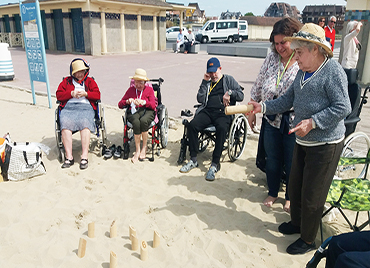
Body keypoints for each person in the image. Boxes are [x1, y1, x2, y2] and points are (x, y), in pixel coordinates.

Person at [247, 23, 351, 255]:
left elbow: (344, 107)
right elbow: (286, 100)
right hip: (303, 141)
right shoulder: (303, 71)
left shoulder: (333, 71)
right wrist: (262, 106)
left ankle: (307, 239)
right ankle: (296, 224)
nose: (296, 57)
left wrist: (313, 122)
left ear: (315, 49)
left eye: (299, 52)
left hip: (325, 144)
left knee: (312, 195)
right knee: (295, 187)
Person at [248, 17, 302, 212]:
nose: (279, 48)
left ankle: (289, 197)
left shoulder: (301, 58)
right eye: (276, 43)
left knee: (291, 160)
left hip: (293, 120)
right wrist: (251, 110)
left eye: (283, 43)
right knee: (273, 158)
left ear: (293, 40)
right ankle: (273, 191)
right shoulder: (271, 58)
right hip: (270, 117)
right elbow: (259, 82)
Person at [179, 57, 244, 181]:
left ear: (220, 69)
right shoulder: (208, 81)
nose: (213, 75)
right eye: (210, 72)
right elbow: (200, 99)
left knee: (221, 128)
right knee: (192, 126)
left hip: (223, 112)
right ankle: (193, 159)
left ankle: (215, 164)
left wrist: (229, 93)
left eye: (215, 71)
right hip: (208, 111)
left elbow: (241, 95)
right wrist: (204, 82)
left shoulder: (228, 79)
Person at [56, 58, 101, 170]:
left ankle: (84, 156)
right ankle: (69, 157)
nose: (80, 74)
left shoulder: (90, 81)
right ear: (73, 73)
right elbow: (59, 95)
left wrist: (86, 93)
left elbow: (97, 96)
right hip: (69, 107)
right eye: (77, 72)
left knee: (85, 123)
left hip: (85, 107)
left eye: (82, 72)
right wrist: (71, 93)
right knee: (65, 123)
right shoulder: (66, 81)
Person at [118, 68, 157, 163]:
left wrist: (144, 102)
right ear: (133, 81)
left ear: (145, 82)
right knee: (136, 122)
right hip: (134, 110)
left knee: (144, 121)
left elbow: (153, 105)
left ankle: (144, 147)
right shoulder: (131, 90)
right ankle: (137, 149)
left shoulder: (149, 90)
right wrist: (127, 101)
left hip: (147, 110)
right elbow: (120, 104)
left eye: (141, 83)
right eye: (136, 82)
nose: (138, 85)